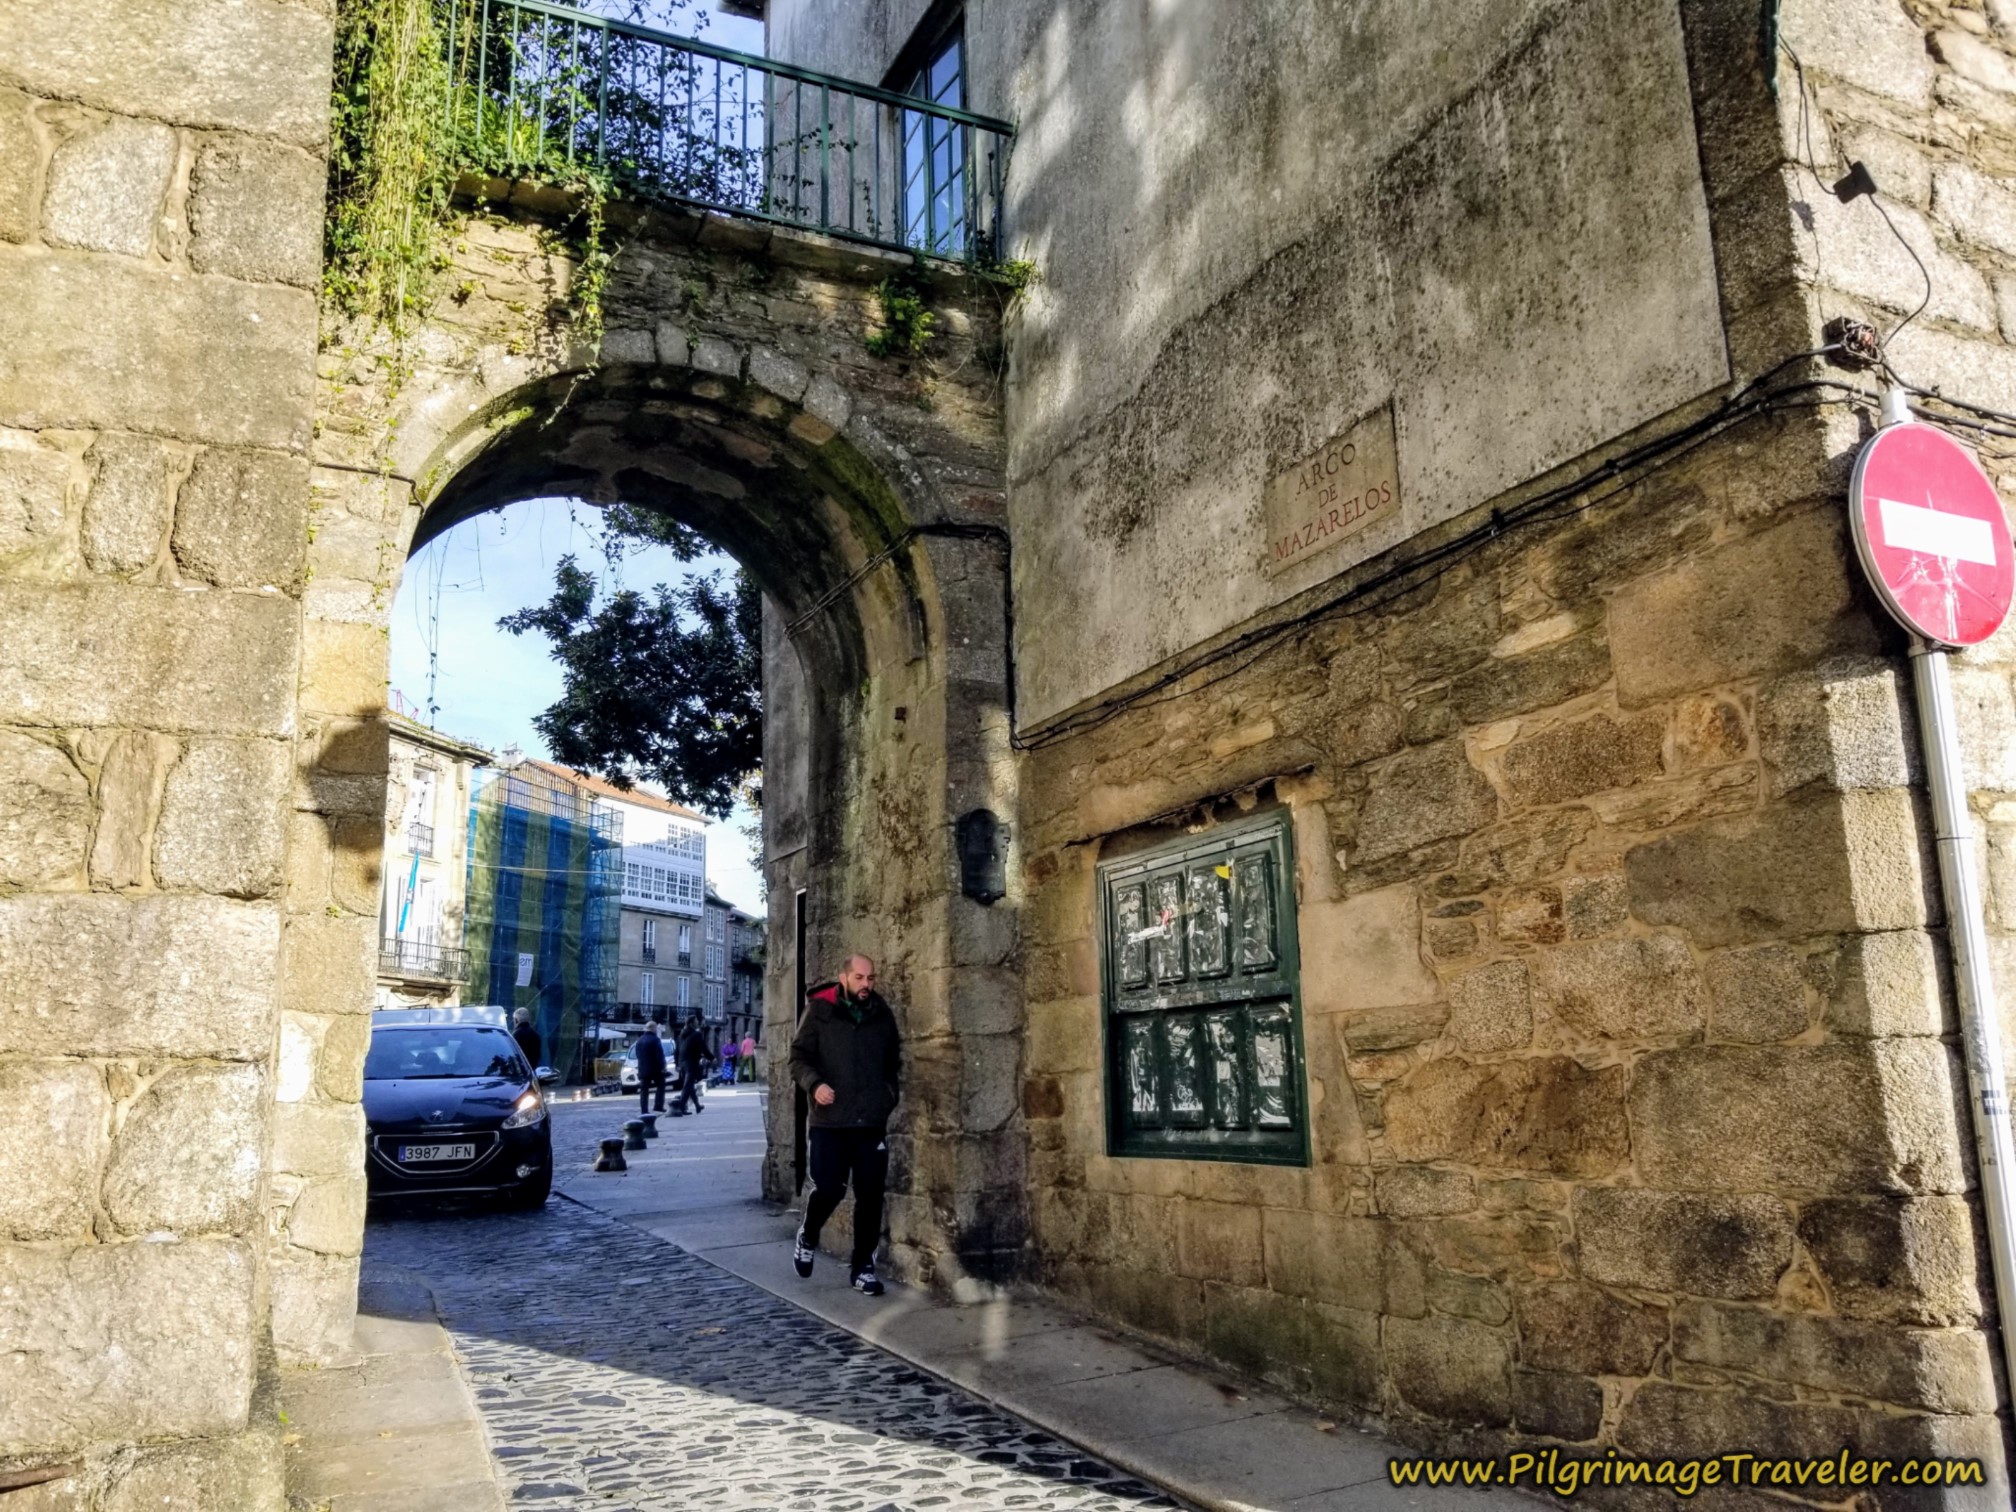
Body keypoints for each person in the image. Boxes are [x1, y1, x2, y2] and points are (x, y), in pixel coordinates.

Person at [789, 954, 900, 1296]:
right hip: (830, 1123)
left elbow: (893, 1063)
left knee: (870, 1196)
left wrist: (886, 1098)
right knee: (831, 1188)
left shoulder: (881, 1015)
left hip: (869, 1123)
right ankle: (808, 1233)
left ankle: (862, 1268)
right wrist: (815, 1084)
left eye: (871, 978)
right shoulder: (819, 1012)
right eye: (860, 977)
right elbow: (797, 1058)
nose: (867, 984)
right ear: (844, 977)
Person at [675, 1017, 712, 1114]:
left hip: (682, 1064)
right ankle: (681, 1107)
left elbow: (677, 1050)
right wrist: (712, 1058)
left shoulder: (681, 1035)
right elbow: (703, 1047)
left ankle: (697, 1105)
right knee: (687, 1086)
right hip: (691, 1064)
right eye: (696, 1021)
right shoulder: (697, 1034)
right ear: (691, 1023)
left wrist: (677, 1064)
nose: (698, 1022)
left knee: (690, 1086)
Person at [634, 1021, 668, 1114]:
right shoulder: (655, 1040)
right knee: (661, 1085)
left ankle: (644, 1110)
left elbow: (637, 1054)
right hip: (655, 1068)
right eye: (656, 1028)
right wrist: (663, 1066)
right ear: (653, 1028)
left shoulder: (639, 1040)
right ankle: (658, 1105)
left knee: (644, 1090)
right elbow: (659, 1054)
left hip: (643, 1069)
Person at [511, 1007, 542, 1072]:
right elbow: (537, 1056)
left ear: (516, 1020)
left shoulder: (514, 1036)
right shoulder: (536, 1036)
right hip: (532, 1072)